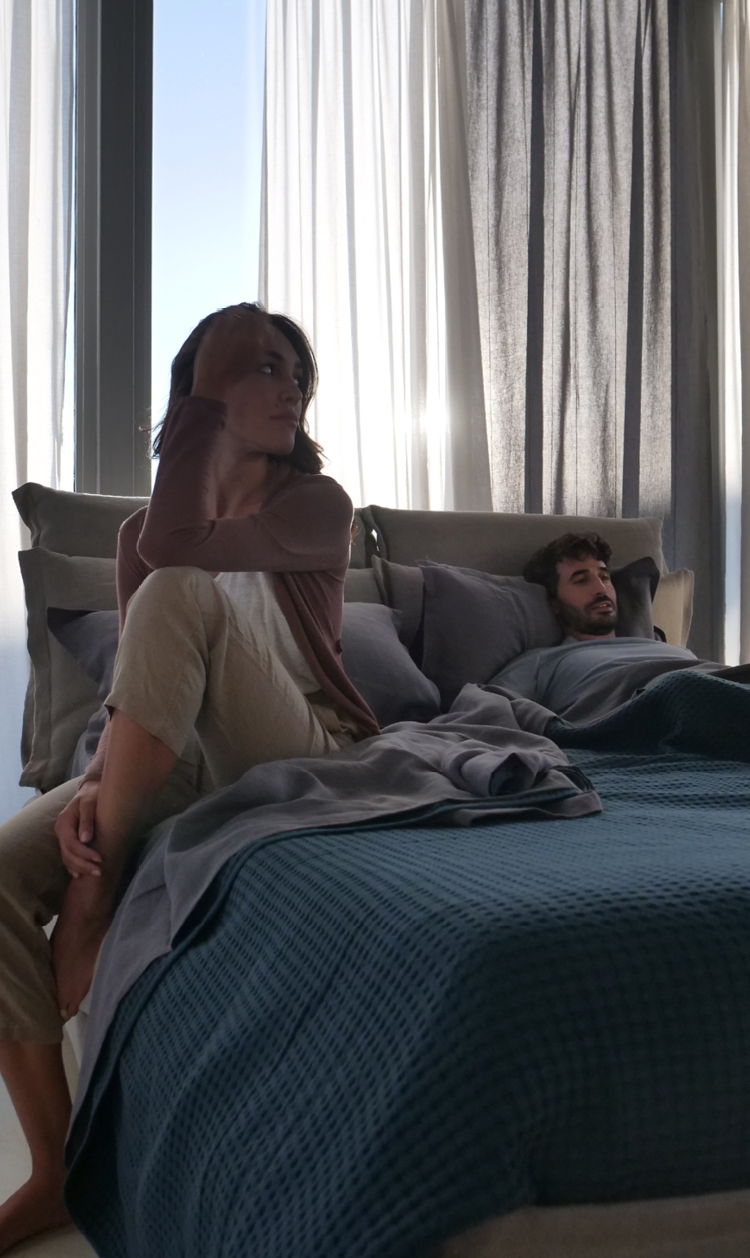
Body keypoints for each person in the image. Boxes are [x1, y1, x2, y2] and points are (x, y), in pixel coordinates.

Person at [0, 302, 378, 1252]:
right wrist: (96, 783)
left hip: (302, 747)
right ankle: (54, 1171)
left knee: (178, 586)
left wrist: (90, 883)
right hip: (178, 753)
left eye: (295, 370)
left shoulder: (318, 504)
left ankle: (92, 904)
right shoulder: (142, 532)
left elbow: (179, 561)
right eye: (260, 367)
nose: (291, 386)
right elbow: (142, 688)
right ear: (201, 397)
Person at [492, 532, 701, 720]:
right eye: (581, 581)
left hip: (706, 686)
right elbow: (490, 712)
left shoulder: (670, 650)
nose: (601, 589)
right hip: (645, 716)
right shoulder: (542, 663)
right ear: (554, 603)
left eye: (604, 577)